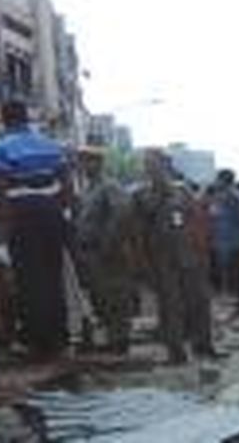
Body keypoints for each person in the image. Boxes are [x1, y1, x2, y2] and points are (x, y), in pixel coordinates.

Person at [0, 100, 70, 359]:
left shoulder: (1, 147)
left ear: (4, 119)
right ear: (26, 118)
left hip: (22, 214)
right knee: (52, 275)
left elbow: (0, 188)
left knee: (29, 278)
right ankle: (60, 338)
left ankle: (36, 342)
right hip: (51, 213)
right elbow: (66, 182)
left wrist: (4, 225)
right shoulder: (50, 145)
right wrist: (60, 210)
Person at [135, 149, 215, 364]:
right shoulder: (142, 195)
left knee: (199, 301)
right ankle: (176, 352)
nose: (151, 168)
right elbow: (138, 232)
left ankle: (203, 346)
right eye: (147, 164)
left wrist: (203, 251)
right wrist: (143, 263)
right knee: (170, 306)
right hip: (162, 259)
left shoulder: (183, 191)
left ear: (166, 165)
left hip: (190, 255)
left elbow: (196, 221)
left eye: (155, 163)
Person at [74, 148, 138, 354]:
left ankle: (120, 340)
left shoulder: (109, 186)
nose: (84, 166)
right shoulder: (89, 189)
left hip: (108, 253)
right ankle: (113, 338)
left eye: (88, 162)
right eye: (82, 162)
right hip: (92, 253)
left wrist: (108, 243)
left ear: (99, 163)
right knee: (101, 297)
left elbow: (122, 214)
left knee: (116, 297)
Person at [208, 169, 239, 316]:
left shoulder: (233, 196)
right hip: (229, 243)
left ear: (223, 180)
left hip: (238, 242)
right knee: (238, 277)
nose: (216, 182)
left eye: (218, 179)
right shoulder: (224, 196)